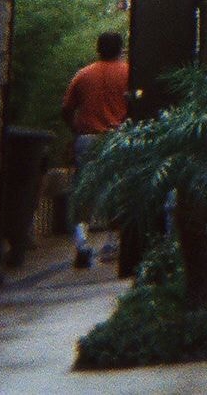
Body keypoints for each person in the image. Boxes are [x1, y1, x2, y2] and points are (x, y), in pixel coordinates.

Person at [61, 31, 129, 269]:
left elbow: (66, 109)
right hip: (117, 138)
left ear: (98, 49)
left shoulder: (83, 75)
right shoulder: (128, 72)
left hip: (87, 139)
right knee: (117, 189)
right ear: (120, 49)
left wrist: (76, 130)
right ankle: (112, 243)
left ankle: (81, 243)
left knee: (84, 191)